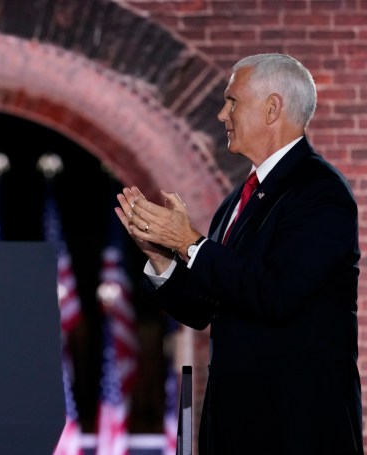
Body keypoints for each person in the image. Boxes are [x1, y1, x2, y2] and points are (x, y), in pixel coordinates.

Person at [116, 53, 362, 454]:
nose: (221, 115)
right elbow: (206, 307)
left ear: (272, 108)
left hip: (297, 431)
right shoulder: (237, 201)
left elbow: (276, 294)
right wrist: (162, 257)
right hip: (234, 428)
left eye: (232, 101)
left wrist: (191, 243)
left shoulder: (321, 193)